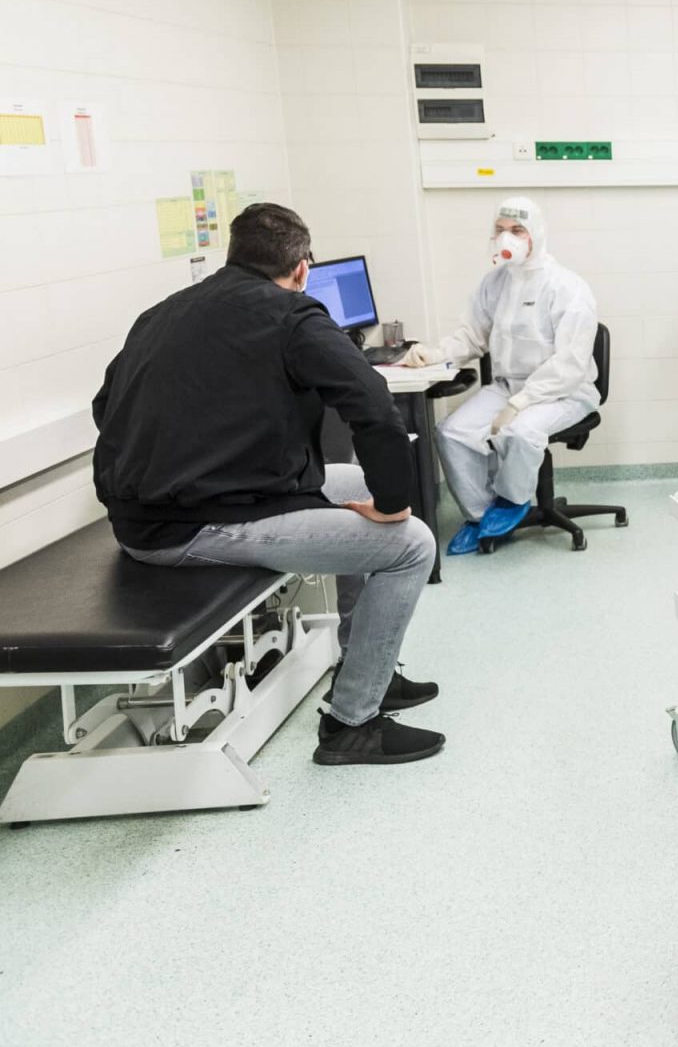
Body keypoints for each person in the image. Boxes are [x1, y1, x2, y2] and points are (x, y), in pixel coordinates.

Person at [93, 202, 444, 766]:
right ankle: (352, 724)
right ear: (302, 269)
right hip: (193, 527)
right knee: (410, 544)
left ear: (234, 256)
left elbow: (104, 406)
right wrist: (395, 505)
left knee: (351, 483)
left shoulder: (161, 313)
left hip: (147, 517)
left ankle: (367, 671)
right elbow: (374, 405)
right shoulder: (292, 315)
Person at [404, 195, 599, 554]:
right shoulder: (495, 283)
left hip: (566, 392)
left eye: (517, 230)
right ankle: (480, 517)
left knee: (520, 431)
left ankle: (511, 502)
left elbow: (570, 364)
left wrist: (521, 403)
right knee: (451, 433)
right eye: (500, 230)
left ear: (536, 233)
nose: (506, 238)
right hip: (508, 386)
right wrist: (436, 354)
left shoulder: (567, 288)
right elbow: (473, 336)